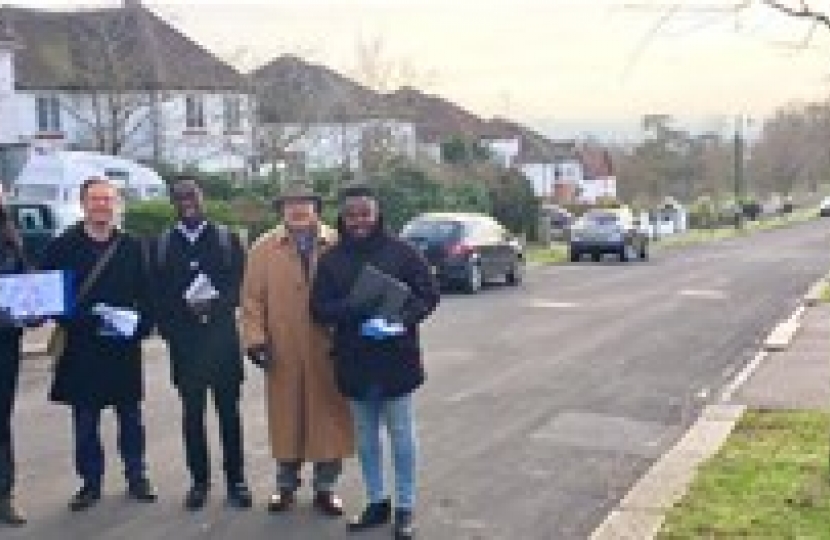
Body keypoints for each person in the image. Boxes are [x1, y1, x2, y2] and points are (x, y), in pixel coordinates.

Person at [310, 185, 439, 539]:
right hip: (354, 357)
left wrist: (398, 322)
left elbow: (429, 295)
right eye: (351, 215)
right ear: (342, 217)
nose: (359, 221)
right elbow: (319, 308)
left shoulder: (404, 252)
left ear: (378, 213)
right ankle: (376, 501)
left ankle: (405, 506)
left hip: (396, 356)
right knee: (366, 436)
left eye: (365, 213)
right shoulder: (332, 259)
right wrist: (354, 309)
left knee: (401, 433)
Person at [41, 176, 156, 512]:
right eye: (95, 199)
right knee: (86, 420)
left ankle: (137, 476)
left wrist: (141, 326)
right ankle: (90, 483)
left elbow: (148, 293)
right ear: (83, 204)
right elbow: (51, 295)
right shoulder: (62, 245)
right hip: (82, 347)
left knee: (130, 416)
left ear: (117, 204)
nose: (102, 205)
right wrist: (78, 321)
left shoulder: (133, 246)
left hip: (122, 346)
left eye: (108, 199)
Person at [241, 183, 354, 516]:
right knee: (286, 417)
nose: (298, 209)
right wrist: (255, 340)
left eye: (304, 202)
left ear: (316, 207)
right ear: (282, 210)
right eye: (291, 204)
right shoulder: (264, 247)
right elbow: (251, 300)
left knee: (329, 418)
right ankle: (285, 486)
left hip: (329, 347)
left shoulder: (336, 243)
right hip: (282, 347)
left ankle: (326, 487)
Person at [151, 178, 251, 510]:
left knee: (229, 414)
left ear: (202, 198)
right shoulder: (162, 244)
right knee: (192, 415)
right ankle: (199, 481)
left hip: (222, 340)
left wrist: (217, 304)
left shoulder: (226, 239)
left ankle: (236, 480)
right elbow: (158, 295)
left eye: (191, 196)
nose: (186, 202)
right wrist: (173, 323)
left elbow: (242, 285)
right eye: (179, 198)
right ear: (173, 203)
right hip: (186, 345)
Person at [0, 188, 30, 526]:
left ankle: (3, 494)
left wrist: (34, 310)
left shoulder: (10, 239)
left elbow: (27, 285)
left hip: (4, 345)